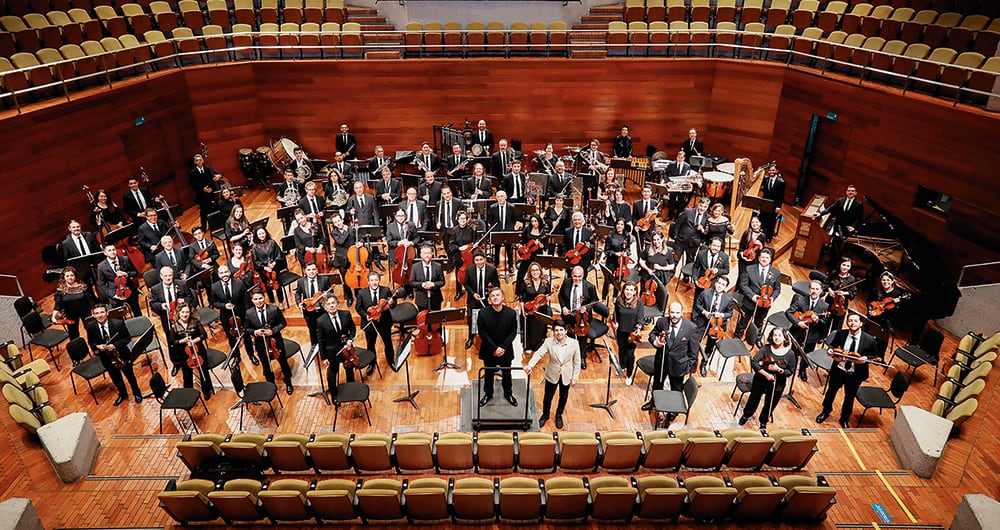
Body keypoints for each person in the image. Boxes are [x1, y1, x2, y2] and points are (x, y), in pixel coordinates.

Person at [817, 313, 881, 429]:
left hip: (855, 374)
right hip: (839, 370)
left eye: (855, 321)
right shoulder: (841, 334)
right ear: (847, 322)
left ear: (861, 324)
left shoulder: (869, 340)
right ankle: (825, 411)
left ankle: (844, 418)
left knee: (849, 397)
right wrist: (830, 352)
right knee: (830, 393)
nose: (852, 323)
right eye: (850, 321)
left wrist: (866, 359)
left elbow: (876, 356)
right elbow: (832, 347)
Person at [524, 321, 581, 429]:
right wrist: (530, 365)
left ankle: (559, 415)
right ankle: (545, 415)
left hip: (566, 374)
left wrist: (575, 377)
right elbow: (539, 353)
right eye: (556, 330)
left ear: (566, 331)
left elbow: (577, 362)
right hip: (552, 373)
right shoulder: (548, 342)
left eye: (561, 330)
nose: (558, 333)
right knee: (548, 397)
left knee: (563, 396)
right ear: (553, 332)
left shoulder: (574, 343)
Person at [643, 302, 698, 411]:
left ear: (682, 313)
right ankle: (653, 402)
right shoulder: (662, 322)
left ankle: (674, 409)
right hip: (662, 361)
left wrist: (687, 366)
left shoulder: (690, 328)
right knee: (657, 384)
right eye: (672, 312)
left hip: (678, 365)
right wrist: (655, 342)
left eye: (677, 312)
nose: (674, 315)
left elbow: (694, 351)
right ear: (669, 312)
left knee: (676, 389)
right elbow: (652, 334)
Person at [738, 327, 796, 430]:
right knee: (754, 398)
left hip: (777, 383)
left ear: (784, 338)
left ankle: (763, 421)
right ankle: (746, 415)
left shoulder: (790, 354)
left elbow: (790, 371)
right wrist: (766, 374)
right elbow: (754, 362)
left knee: (770, 403)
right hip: (761, 379)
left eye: (779, 335)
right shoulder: (766, 349)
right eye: (774, 335)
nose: (777, 338)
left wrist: (779, 370)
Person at [85, 304, 142, 405]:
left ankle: (136, 393)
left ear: (107, 313)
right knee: (115, 377)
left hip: (122, 354)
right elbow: (91, 342)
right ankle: (123, 394)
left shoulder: (118, 323)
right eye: (97, 313)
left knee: (130, 376)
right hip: (106, 358)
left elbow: (127, 338)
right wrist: (97, 347)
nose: (100, 315)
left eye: (102, 312)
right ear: (93, 315)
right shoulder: (90, 327)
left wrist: (115, 345)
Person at [245, 289, 294, 395]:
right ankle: (270, 384)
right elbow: (246, 329)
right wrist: (255, 332)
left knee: (283, 362)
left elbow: (283, 323)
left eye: (261, 298)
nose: (259, 301)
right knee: (266, 365)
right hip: (261, 344)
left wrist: (273, 331)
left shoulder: (274, 309)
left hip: (276, 342)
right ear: (252, 300)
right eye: (256, 299)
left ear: (264, 297)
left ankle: (288, 381)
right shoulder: (249, 313)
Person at [477, 286, 518, 407]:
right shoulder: (483, 313)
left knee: (507, 374)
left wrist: (503, 348)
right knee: (488, 374)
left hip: (505, 350)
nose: (495, 298)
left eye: (497, 295)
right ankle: (488, 394)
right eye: (492, 296)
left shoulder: (510, 313)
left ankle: (508, 393)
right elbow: (482, 333)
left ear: (503, 298)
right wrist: (494, 348)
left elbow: (513, 332)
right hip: (489, 350)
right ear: (489, 300)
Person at [209, 264, 255, 365]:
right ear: (218, 274)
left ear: (229, 272)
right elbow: (213, 302)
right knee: (231, 337)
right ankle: (236, 356)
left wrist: (248, 315)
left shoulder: (239, 283)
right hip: (226, 316)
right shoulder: (214, 287)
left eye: (226, 272)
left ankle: (251, 354)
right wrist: (224, 306)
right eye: (221, 273)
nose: (224, 274)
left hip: (241, 313)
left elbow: (246, 300)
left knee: (246, 335)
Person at [785, 280, 830, 381]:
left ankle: (802, 370)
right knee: (794, 351)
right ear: (809, 289)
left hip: (812, 335)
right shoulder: (801, 300)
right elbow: (788, 312)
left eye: (817, 289)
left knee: (807, 354)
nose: (814, 291)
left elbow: (824, 323)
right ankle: (792, 367)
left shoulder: (825, 306)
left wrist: (817, 320)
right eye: (812, 288)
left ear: (821, 291)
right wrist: (797, 322)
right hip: (798, 332)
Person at [168, 301, 214, 398]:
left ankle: (207, 390)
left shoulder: (195, 322)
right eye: (183, 312)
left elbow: (203, 335)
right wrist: (183, 341)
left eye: (187, 312)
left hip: (198, 349)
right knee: (187, 374)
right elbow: (172, 342)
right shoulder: (174, 327)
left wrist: (194, 341)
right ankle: (189, 395)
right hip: (184, 353)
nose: (185, 315)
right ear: (178, 312)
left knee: (203, 370)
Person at [735, 247, 782, 340]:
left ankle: (756, 338)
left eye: (767, 258)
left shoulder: (776, 273)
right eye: (762, 257)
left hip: (764, 304)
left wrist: (772, 298)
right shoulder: (749, 269)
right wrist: (752, 296)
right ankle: (737, 336)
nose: (764, 259)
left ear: (770, 259)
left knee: (759, 322)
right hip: (749, 302)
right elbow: (743, 285)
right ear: (759, 258)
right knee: (743, 321)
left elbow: (777, 289)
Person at [558, 265, 599, 369]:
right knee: (569, 337)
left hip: (582, 318)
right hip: (569, 315)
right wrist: (563, 307)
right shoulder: (567, 282)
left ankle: (581, 358)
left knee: (582, 338)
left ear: (583, 275)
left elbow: (595, 301)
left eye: (579, 276)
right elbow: (561, 296)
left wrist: (587, 309)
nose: (577, 279)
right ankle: (569, 357)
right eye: (575, 276)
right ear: (571, 275)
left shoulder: (590, 287)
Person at [317, 295, 357, 399]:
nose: (331, 306)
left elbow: (352, 329)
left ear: (337, 303)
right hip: (332, 352)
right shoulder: (321, 321)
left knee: (349, 368)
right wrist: (324, 357)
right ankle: (334, 395)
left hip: (346, 349)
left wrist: (350, 339)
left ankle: (351, 389)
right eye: (329, 304)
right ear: (325, 307)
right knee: (332, 374)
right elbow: (320, 340)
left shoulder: (346, 314)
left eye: (333, 303)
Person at [692, 276, 734, 376]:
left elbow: (730, 313)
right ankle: (693, 362)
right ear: (715, 283)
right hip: (703, 321)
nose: (720, 286)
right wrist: (704, 312)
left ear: (725, 287)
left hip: (716, 325)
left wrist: (721, 315)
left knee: (710, 346)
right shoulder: (705, 292)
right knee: (695, 342)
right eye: (719, 283)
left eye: (723, 285)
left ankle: (704, 363)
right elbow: (697, 305)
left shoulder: (728, 298)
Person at [355, 272, 396, 367]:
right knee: (370, 344)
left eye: (376, 280)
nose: (374, 282)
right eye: (372, 280)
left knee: (388, 343)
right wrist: (366, 316)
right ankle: (371, 364)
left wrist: (391, 303)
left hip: (384, 322)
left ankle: (391, 361)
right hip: (370, 323)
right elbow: (358, 308)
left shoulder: (386, 290)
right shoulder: (361, 293)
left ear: (379, 281)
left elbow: (394, 305)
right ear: (368, 282)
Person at [463, 251, 500, 349]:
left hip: (487, 300)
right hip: (473, 299)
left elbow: (497, 285)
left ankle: (489, 339)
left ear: (484, 259)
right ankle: (471, 338)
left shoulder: (492, 270)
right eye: (476, 260)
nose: (479, 262)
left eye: (481, 259)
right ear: (474, 261)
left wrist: (491, 294)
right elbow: (466, 284)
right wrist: (473, 294)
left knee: (488, 319)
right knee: (471, 319)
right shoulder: (469, 269)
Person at [95, 242, 140, 317]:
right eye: (109, 250)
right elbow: (101, 284)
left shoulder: (125, 259)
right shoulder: (101, 266)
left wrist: (126, 274)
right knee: (118, 317)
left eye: (113, 249)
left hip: (129, 290)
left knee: (137, 312)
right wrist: (113, 295)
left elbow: (135, 272)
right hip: (115, 294)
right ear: (105, 253)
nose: (112, 252)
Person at [611, 282, 643, 384]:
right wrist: (615, 322)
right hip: (621, 331)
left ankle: (629, 374)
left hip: (632, 333)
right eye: (627, 289)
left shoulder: (639, 303)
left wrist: (638, 327)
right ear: (623, 290)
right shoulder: (619, 301)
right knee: (621, 350)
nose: (628, 292)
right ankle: (622, 366)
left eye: (631, 290)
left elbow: (640, 318)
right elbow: (615, 314)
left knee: (630, 355)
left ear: (635, 292)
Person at [53, 266, 94, 341]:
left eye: (72, 275)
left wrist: (94, 310)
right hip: (71, 314)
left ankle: (94, 346)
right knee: (73, 333)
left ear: (75, 276)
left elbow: (90, 300)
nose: (70, 277)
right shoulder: (60, 290)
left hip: (85, 311)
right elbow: (58, 304)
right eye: (67, 276)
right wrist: (53, 316)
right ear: (64, 277)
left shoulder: (82, 286)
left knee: (91, 329)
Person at [296, 261, 330, 348]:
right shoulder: (301, 281)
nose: (311, 272)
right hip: (308, 310)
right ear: (305, 271)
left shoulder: (324, 280)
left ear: (317, 270)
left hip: (321, 310)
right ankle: (314, 344)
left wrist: (327, 295)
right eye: (309, 270)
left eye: (314, 269)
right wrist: (299, 303)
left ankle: (325, 344)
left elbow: (330, 292)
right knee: (312, 329)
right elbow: (298, 293)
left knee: (324, 328)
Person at [252, 226, 287, 306]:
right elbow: (256, 261)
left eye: (263, 233)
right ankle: (272, 302)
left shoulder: (272, 242)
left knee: (278, 285)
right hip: (263, 269)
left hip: (274, 267)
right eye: (259, 234)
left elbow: (279, 254)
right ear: (256, 235)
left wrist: (274, 263)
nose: (261, 235)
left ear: (266, 233)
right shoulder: (255, 247)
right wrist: (265, 267)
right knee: (267, 286)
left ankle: (281, 302)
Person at [327, 213, 356, 306]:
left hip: (352, 257)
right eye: (335, 222)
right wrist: (347, 230)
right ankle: (349, 297)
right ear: (334, 224)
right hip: (341, 259)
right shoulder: (334, 232)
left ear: (342, 220)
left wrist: (360, 243)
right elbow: (341, 241)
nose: (338, 223)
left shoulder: (352, 228)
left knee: (356, 277)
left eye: (339, 220)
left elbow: (358, 238)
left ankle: (358, 296)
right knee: (345, 279)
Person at [868, 271, 907, 339]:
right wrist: (870, 309)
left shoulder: (897, 294)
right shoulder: (877, 290)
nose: (886, 282)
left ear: (892, 281)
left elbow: (897, 313)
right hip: (873, 315)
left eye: (888, 280)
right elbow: (868, 301)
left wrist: (896, 303)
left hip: (885, 320)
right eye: (883, 280)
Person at [521, 262, 551, 351]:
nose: (535, 272)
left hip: (542, 309)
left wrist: (548, 298)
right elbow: (521, 298)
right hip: (529, 309)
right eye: (533, 270)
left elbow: (547, 295)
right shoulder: (525, 282)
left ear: (540, 271)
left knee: (540, 327)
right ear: (530, 272)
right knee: (531, 328)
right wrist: (523, 309)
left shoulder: (545, 282)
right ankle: (529, 345)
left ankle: (540, 344)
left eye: (537, 270)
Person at [446, 210, 475, 299]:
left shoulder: (471, 229)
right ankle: (459, 291)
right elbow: (451, 245)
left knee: (471, 272)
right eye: (460, 218)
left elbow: (475, 241)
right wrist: (459, 248)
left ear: (467, 220)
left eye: (464, 218)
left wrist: (474, 244)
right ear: (457, 219)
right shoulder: (454, 231)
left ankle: (472, 290)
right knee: (458, 272)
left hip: (469, 255)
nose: (462, 220)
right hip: (458, 255)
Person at [189, 153, 222, 229]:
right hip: (201, 195)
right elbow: (193, 186)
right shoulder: (192, 173)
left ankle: (214, 225)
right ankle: (203, 227)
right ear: (195, 162)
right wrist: (202, 189)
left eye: (200, 160)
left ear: (203, 161)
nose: (199, 162)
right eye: (197, 160)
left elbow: (218, 174)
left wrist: (218, 176)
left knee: (214, 208)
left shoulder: (208, 169)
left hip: (211, 193)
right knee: (204, 211)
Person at [691, 237, 730, 303]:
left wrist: (718, 271)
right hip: (701, 281)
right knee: (697, 301)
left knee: (709, 302)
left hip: (714, 283)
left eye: (718, 246)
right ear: (710, 245)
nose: (716, 248)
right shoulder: (701, 254)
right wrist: (695, 279)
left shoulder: (724, 257)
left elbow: (726, 270)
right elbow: (695, 267)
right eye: (714, 245)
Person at [674, 197, 710, 266]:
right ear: (698, 204)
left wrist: (702, 231)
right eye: (701, 206)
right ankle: (670, 275)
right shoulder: (688, 211)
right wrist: (676, 236)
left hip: (694, 244)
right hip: (681, 241)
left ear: (707, 207)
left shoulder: (707, 218)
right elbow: (678, 223)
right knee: (675, 260)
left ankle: (686, 277)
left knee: (689, 263)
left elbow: (707, 233)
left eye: (705, 207)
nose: (702, 208)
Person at [515, 214, 545, 296]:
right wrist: (521, 247)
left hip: (537, 255)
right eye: (532, 221)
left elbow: (545, 247)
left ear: (539, 221)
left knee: (537, 274)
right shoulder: (527, 229)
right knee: (521, 273)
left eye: (535, 221)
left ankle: (537, 292)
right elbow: (522, 241)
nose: (534, 223)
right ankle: (518, 293)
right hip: (527, 255)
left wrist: (540, 245)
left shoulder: (543, 231)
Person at [825, 257, 857, 333]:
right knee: (826, 319)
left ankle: (833, 339)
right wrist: (830, 290)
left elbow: (853, 292)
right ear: (840, 265)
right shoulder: (833, 274)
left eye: (848, 266)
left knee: (837, 324)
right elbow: (826, 283)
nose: (845, 267)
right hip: (830, 301)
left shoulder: (851, 279)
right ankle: (822, 337)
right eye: (844, 265)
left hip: (841, 304)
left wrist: (844, 293)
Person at [602, 218, 631, 299]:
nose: (620, 226)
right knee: (607, 279)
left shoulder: (627, 236)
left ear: (624, 226)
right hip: (611, 260)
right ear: (615, 225)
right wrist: (615, 253)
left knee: (619, 279)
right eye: (618, 224)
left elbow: (628, 249)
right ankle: (604, 297)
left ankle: (615, 296)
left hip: (622, 262)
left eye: (622, 224)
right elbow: (606, 251)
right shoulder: (610, 236)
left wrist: (626, 252)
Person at [488, 190, 516, 273]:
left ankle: (510, 265)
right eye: (498, 197)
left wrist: (510, 227)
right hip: (497, 231)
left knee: (509, 249)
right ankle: (496, 264)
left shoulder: (511, 207)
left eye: (502, 196)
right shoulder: (493, 207)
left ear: (506, 197)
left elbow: (514, 219)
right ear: (496, 198)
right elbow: (490, 220)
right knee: (497, 249)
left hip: (508, 231)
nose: (500, 198)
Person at [409, 244, 444, 311]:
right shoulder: (415, 267)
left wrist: (433, 284)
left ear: (432, 254)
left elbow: (442, 282)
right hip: (421, 300)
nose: (427, 255)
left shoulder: (438, 266)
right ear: (421, 255)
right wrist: (423, 284)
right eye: (425, 253)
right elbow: (412, 282)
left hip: (436, 298)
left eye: (429, 253)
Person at [758, 164, 785, 242]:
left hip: (774, 205)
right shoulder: (765, 179)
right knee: (762, 219)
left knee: (771, 221)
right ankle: (761, 235)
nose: (771, 172)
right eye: (770, 170)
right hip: (765, 203)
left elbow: (781, 196)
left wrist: (778, 207)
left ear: (776, 171)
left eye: (773, 170)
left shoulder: (781, 182)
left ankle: (769, 237)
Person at [737, 215, 765, 282]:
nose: (755, 224)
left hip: (754, 261)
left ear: (760, 223)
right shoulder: (747, 233)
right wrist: (741, 254)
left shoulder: (762, 236)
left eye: (756, 222)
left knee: (749, 279)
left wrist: (761, 246)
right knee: (741, 277)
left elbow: (762, 251)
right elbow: (741, 247)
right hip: (743, 258)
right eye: (752, 222)